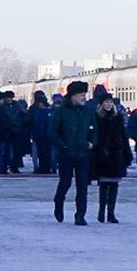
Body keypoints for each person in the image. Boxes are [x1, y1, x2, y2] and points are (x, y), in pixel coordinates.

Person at [51, 81, 96, 226]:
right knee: (65, 181)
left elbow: (95, 129)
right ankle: (59, 201)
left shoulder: (88, 111)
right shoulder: (61, 111)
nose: (84, 97)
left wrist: (92, 142)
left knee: (82, 185)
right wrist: (63, 145)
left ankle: (80, 215)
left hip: (83, 153)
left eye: (85, 94)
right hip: (66, 153)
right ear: (73, 96)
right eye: (81, 95)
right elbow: (53, 131)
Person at [91, 93, 133, 223]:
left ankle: (110, 213)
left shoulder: (118, 117)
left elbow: (123, 136)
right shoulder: (96, 117)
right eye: (106, 102)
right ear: (101, 104)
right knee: (104, 184)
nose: (109, 104)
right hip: (103, 155)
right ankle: (101, 212)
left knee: (114, 184)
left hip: (116, 154)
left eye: (110, 102)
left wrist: (127, 152)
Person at [29, 92, 55, 176]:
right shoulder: (49, 112)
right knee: (45, 153)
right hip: (45, 136)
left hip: (41, 135)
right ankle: (45, 167)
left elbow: (37, 124)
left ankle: (44, 168)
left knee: (43, 153)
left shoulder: (40, 112)